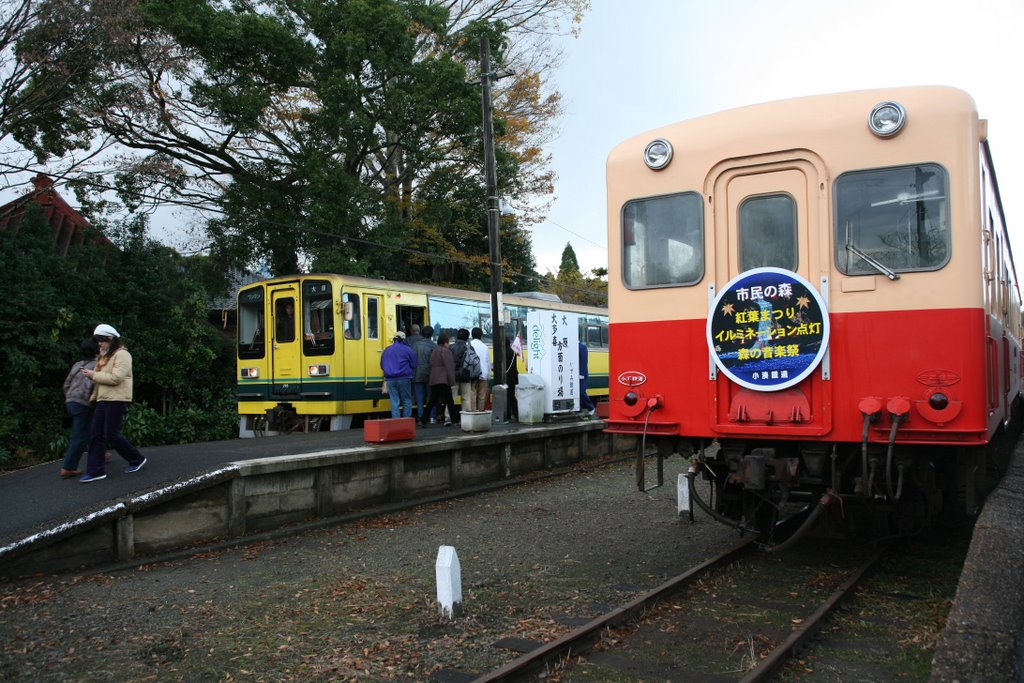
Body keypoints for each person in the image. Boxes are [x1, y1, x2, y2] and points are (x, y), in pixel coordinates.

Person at [80, 324, 147, 482]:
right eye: (97, 341)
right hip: (103, 399)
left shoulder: (123, 355)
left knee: (111, 434)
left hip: (117, 399)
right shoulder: (104, 357)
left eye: (101, 340)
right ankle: (96, 471)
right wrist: (92, 398)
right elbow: (99, 381)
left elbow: (116, 378)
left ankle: (136, 459)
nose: (99, 344)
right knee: (96, 435)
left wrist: (93, 375)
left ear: (110, 339)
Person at [59, 337, 99, 478]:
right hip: (84, 403)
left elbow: (66, 384)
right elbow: (95, 385)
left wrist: (69, 398)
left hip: (70, 401)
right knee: (80, 437)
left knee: (91, 428)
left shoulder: (78, 365)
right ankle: (68, 467)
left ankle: (102, 453)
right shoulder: (98, 365)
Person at [422, 333, 457, 426]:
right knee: (450, 401)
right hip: (444, 379)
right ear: (445, 342)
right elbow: (449, 366)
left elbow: (431, 363)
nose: (449, 344)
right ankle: (454, 420)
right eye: (448, 342)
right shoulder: (446, 352)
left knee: (432, 400)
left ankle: (423, 419)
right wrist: (452, 381)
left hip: (434, 378)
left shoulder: (434, 351)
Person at [380, 331, 416, 418]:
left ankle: (396, 422)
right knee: (406, 400)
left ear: (394, 339)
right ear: (404, 339)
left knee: (394, 401)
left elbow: (382, 365)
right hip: (404, 378)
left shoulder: (387, 350)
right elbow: (414, 365)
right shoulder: (408, 349)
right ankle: (406, 422)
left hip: (390, 380)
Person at [412, 325, 437, 423]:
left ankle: (421, 417)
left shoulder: (415, 345)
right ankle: (432, 417)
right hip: (430, 374)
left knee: (419, 398)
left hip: (417, 373)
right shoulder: (434, 346)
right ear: (432, 334)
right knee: (431, 397)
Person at [450, 329, 472, 421]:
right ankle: (466, 417)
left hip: (453, 376)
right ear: (467, 338)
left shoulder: (451, 347)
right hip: (465, 376)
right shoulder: (469, 348)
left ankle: (448, 417)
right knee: (466, 398)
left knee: (451, 398)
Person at [469, 327, 491, 412]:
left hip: (472, 374)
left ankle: (473, 413)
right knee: (482, 396)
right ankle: (481, 413)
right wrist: (488, 375)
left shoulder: (469, 345)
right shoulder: (485, 347)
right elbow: (488, 362)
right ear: (481, 336)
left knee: (472, 394)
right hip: (483, 374)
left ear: (472, 335)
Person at [504, 338, 519, 423]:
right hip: (513, 377)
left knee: (509, 397)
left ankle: (511, 414)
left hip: (507, 377)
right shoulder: (512, 352)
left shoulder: (503, 352)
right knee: (511, 396)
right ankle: (515, 414)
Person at [579, 340, 595, 414]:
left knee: (582, 391)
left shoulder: (582, 347)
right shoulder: (573, 347)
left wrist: (582, 374)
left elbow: (584, 361)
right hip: (574, 373)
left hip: (582, 374)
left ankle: (591, 407)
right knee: (577, 392)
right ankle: (579, 409)